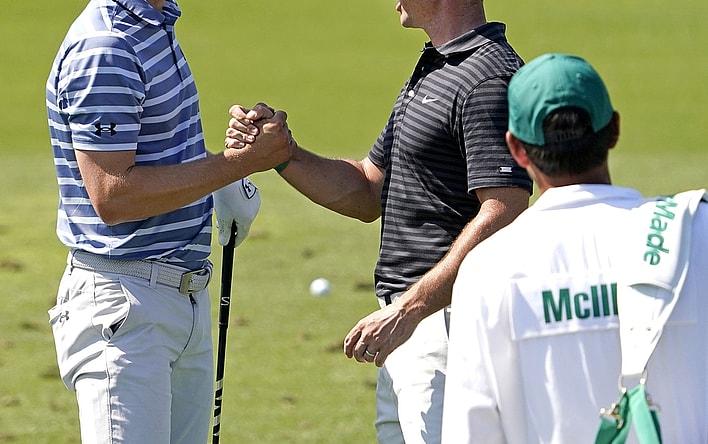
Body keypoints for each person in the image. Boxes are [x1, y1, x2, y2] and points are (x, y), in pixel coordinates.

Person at [224, 1, 532, 441]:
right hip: (409, 331)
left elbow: (505, 209)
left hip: (451, 331)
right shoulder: (436, 65)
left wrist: (411, 309)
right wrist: (282, 154)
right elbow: (368, 190)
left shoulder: (487, 78)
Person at [45, 0, 292, 442]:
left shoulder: (156, 24)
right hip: (125, 309)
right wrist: (238, 166)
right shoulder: (108, 46)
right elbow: (113, 196)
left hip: (182, 298)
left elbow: (167, 157)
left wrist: (232, 160)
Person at [442, 53, 708, 443]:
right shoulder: (696, 231)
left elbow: (472, 432)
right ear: (613, 129)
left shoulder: (488, 268)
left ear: (516, 149)